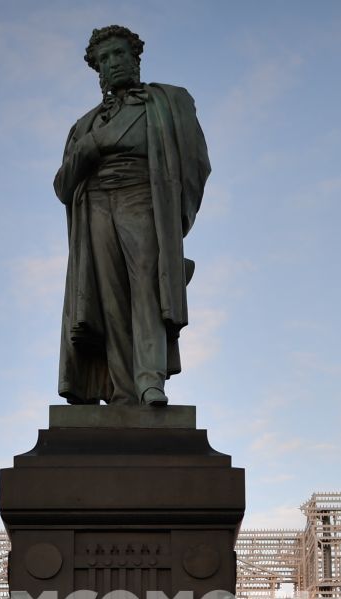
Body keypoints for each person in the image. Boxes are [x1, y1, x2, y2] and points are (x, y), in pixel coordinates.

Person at [55, 24, 210, 407]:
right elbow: (62, 186)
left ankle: (149, 381)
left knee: (147, 288)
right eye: (104, 59)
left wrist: (175, 221)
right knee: (110, 301)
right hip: (95, 206)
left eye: (119, 54)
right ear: (97, 69)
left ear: (135, 57)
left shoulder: (170, 101)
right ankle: (124, 391)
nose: (113, 63)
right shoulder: (84, 125)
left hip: (144, 196)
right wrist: (87, 149)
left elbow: (195, 163)